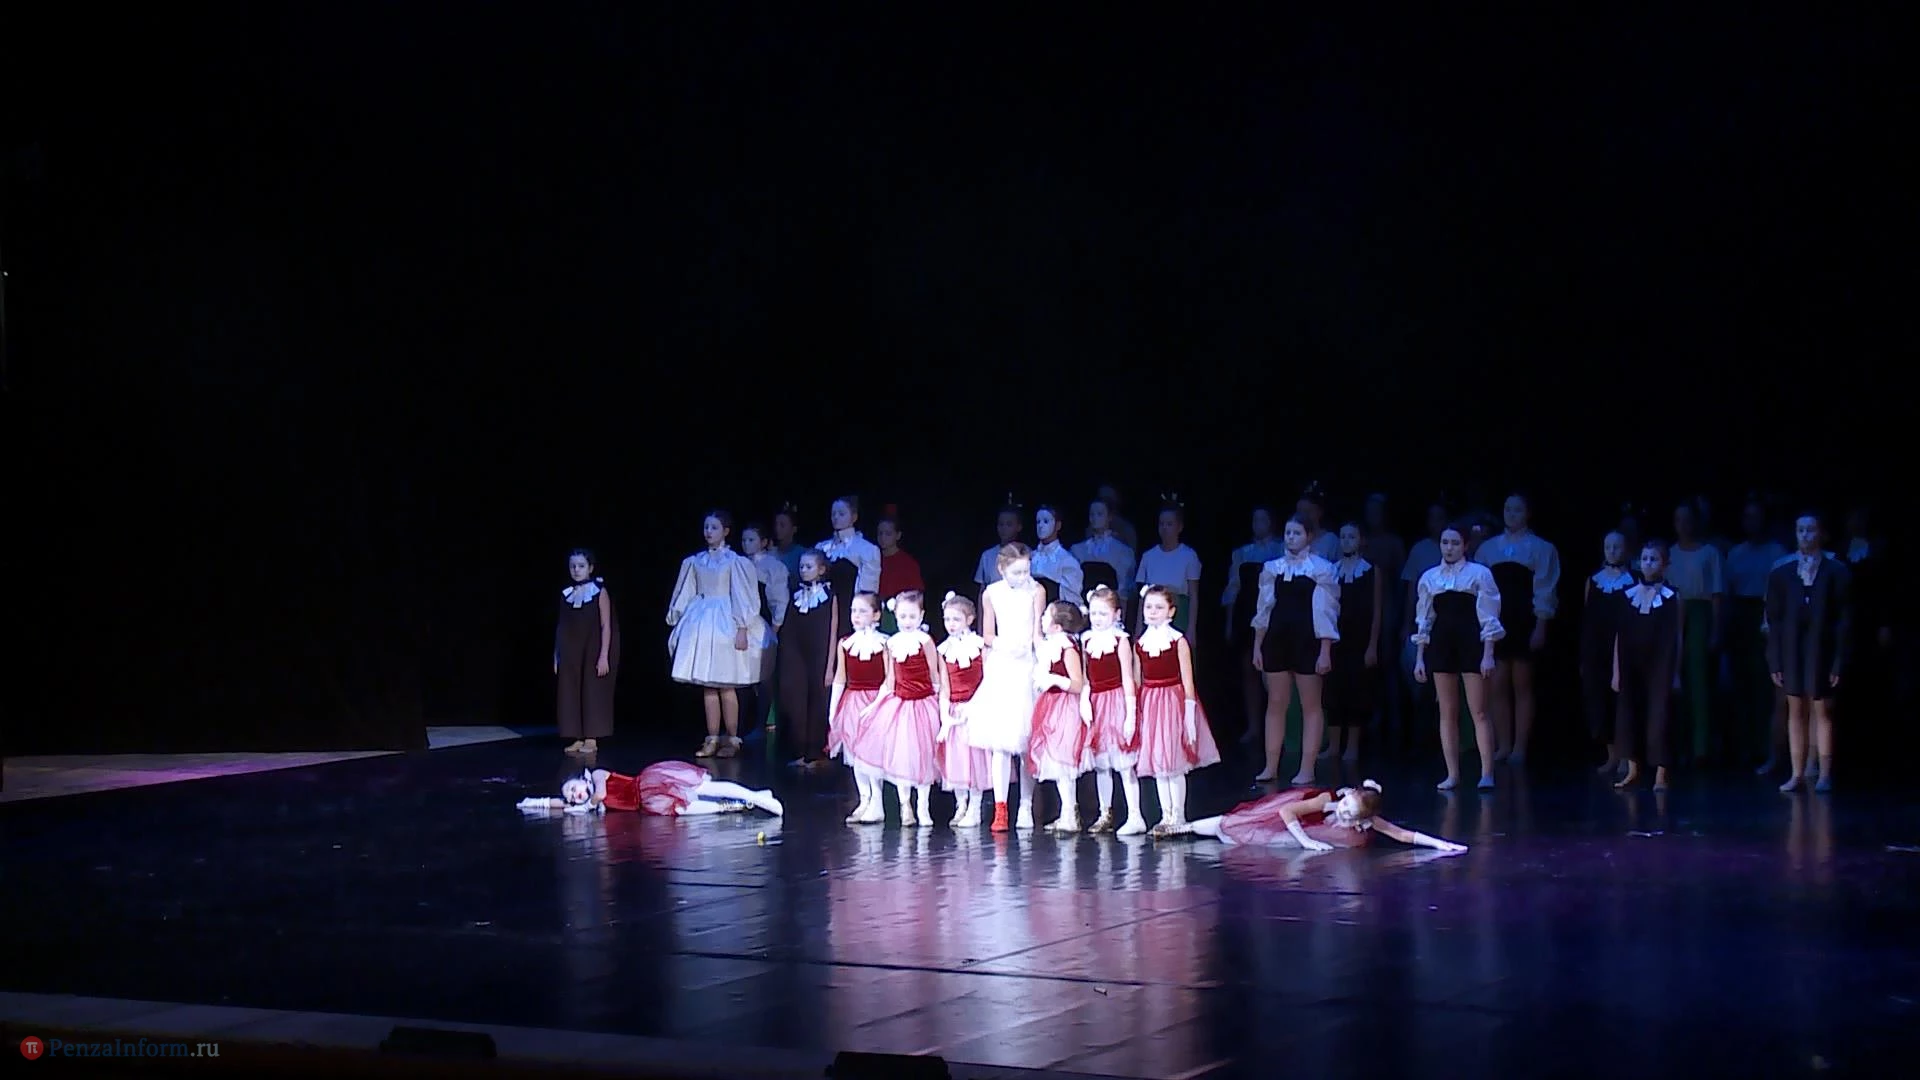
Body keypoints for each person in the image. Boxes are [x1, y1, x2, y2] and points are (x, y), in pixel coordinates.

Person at [1159, 781, 1467, 852]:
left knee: (1238, 839)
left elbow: (1402, 834)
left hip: (1293, 839)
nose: (1343, 812)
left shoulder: (1366, 821)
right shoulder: (1327, 801)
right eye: (1345, 805)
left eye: (1350, 814)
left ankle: (1191, 829)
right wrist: (1306, 842)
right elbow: (1286, 811)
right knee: (1232, 824)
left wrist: (1441, 844)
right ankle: (1183, 827)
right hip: (1288, 825)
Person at [517, 761, 782, 817]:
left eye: (573, 788)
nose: (575, 796)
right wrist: (535, 803)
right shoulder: (586, 803)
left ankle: (755, 796)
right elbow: (559, 804)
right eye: (572, 797)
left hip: (650, 783)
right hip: (649, 804)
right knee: (694, 808)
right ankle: (748, 802)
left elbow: (600, 793)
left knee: (705, 787)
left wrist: (586, 805)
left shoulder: (596, 776)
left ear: (581, 780)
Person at [555, 548, 620, 755]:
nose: (576, 570)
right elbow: (561, 626)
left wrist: (604, 655)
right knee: (571, 689)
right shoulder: (567, 594)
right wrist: (557, 654)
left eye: (581, 566)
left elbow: (606, 625)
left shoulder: (599, 591)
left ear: (590, 568)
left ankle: (591, 738)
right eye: (573, 566)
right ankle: (577, 736)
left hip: (594, 647)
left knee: (592, 690)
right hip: (571, 649)